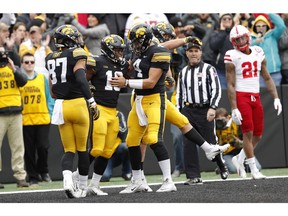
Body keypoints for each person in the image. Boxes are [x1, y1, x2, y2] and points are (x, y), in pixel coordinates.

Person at [110, 23, 229, 192]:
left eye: (137, 42)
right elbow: (165, 47)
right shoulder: (142, 49)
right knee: (135, 139)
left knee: (154, 136)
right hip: (139, 98)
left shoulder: (157, 51)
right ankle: (139, 179)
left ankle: (168, 179)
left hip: (153, 97)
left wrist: (127, 81)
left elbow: (154, 73)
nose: (134, 45)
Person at [45, 24, 99, 198]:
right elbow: (82, 80)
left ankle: (68, 179)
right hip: (78, 104)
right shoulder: (76, 54)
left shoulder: (49, 57)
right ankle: (82, 187)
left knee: (69, 150)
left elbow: (52, 90)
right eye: (75, 38)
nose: (78, 41)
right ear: (69, 40)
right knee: (82, 149)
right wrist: (91, 101)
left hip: (61, 106)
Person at [225, 25, 282, 179]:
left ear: (248, 37)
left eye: (242, 38)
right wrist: (234, 107)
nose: (241, 41)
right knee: (248, 132)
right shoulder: (232, 55)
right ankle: (253, 170)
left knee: (258, 134)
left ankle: (240, 158)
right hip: (242, 96)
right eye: (237, 39)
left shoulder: (258, 52)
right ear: (233, 42)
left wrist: (276, 97)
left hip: (255, 96)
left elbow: (267, 77)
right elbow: (230, 84)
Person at [79, 34, 130, 196]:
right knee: (96, 149)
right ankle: (78, 179)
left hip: (113, 111)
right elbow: (83, 79)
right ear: (108, 50)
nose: (119, 53)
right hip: (99, 109)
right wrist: (90, 91)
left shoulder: (122, 65)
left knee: (108, 151)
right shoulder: (97, 62)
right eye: (116, 50)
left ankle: (94, 184)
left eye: (121, 50)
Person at [176, 36, 229, 185]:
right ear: (186, 53)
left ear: (200, 53)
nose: (193, 54)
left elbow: (216, 89)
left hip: (205, 110)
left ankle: (221, 165)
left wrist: (212, 107)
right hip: (188, 110)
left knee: (211, 142)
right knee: (188, 143)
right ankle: (193, 176)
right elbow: (180, 93)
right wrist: (179, 112)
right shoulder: (183, 72)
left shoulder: (209, 69)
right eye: (191, 51)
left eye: (196, 51)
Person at [19, 52, 54, 186]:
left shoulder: (42, 78)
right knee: (28, 150)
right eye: (26, 62)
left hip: (42, 117)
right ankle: (33, 176)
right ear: (22, 64)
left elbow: (49, 96)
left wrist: (50, 113)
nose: (29, 64)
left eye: (32, 62)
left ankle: (43, 171)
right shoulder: (20, 79)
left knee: (43, 147)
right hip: (26, 119)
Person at [0, 46, 29, 188]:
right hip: (0, 113)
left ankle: (20, 177)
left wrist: (14, 68)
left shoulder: (14, 68)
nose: (3, 58)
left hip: (16, 113)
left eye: (4, 55)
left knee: (18, 147)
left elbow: (24, 81)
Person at [215, 107, 262, 174]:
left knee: (257, 167)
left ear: (228, 117)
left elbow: (247, 141)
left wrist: (235, 141)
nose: (219, 123)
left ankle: (241, 164)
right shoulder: (216, 128)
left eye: (221, 120)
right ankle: (222, 167)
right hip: (227, 153)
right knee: (233, 170)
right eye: (217, 121)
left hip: (242, 151)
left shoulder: (237, 123)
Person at [250, 13, 285, 87]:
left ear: (267, 26)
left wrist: (269, 13)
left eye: (263, 25)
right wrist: (256, 42)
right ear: (254, 27)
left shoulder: (273, 35)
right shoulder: (251, 38)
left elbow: (281, 26)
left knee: (275, 97)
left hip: (274, 73)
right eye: (258, 26)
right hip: (259, 74)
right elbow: (247, 50)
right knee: (263, 97)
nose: (261, 28)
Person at [100, 111, 132, 182]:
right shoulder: (98, 114)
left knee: (125, 147)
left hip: (117, 151)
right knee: (105, 177)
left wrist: (113, 125)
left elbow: (123, 132)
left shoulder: (118, 114)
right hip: (104, 154)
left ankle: (127, 171)